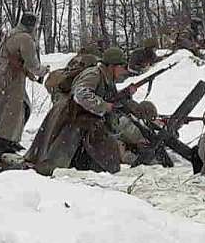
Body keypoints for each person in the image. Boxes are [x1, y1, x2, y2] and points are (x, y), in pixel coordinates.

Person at [25, 47, 136, 175]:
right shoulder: (94, 74)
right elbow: (81, 94)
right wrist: (104, 106)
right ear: (112, 66)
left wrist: (125, 95)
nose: (124, 70)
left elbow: (108, 99)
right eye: (122, 66)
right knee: (55, 163)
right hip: (71, 118)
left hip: (82, 121)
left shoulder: (107, 78)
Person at [0, 13, 49, 153]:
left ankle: (11, 141)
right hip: (11, 77)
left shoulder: (11, 33)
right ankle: (4, 145)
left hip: (3, 75)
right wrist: (43, 71)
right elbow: (33, 64)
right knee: (11, 111)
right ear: (32, 25)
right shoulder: (25, 38)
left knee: (20, 108)